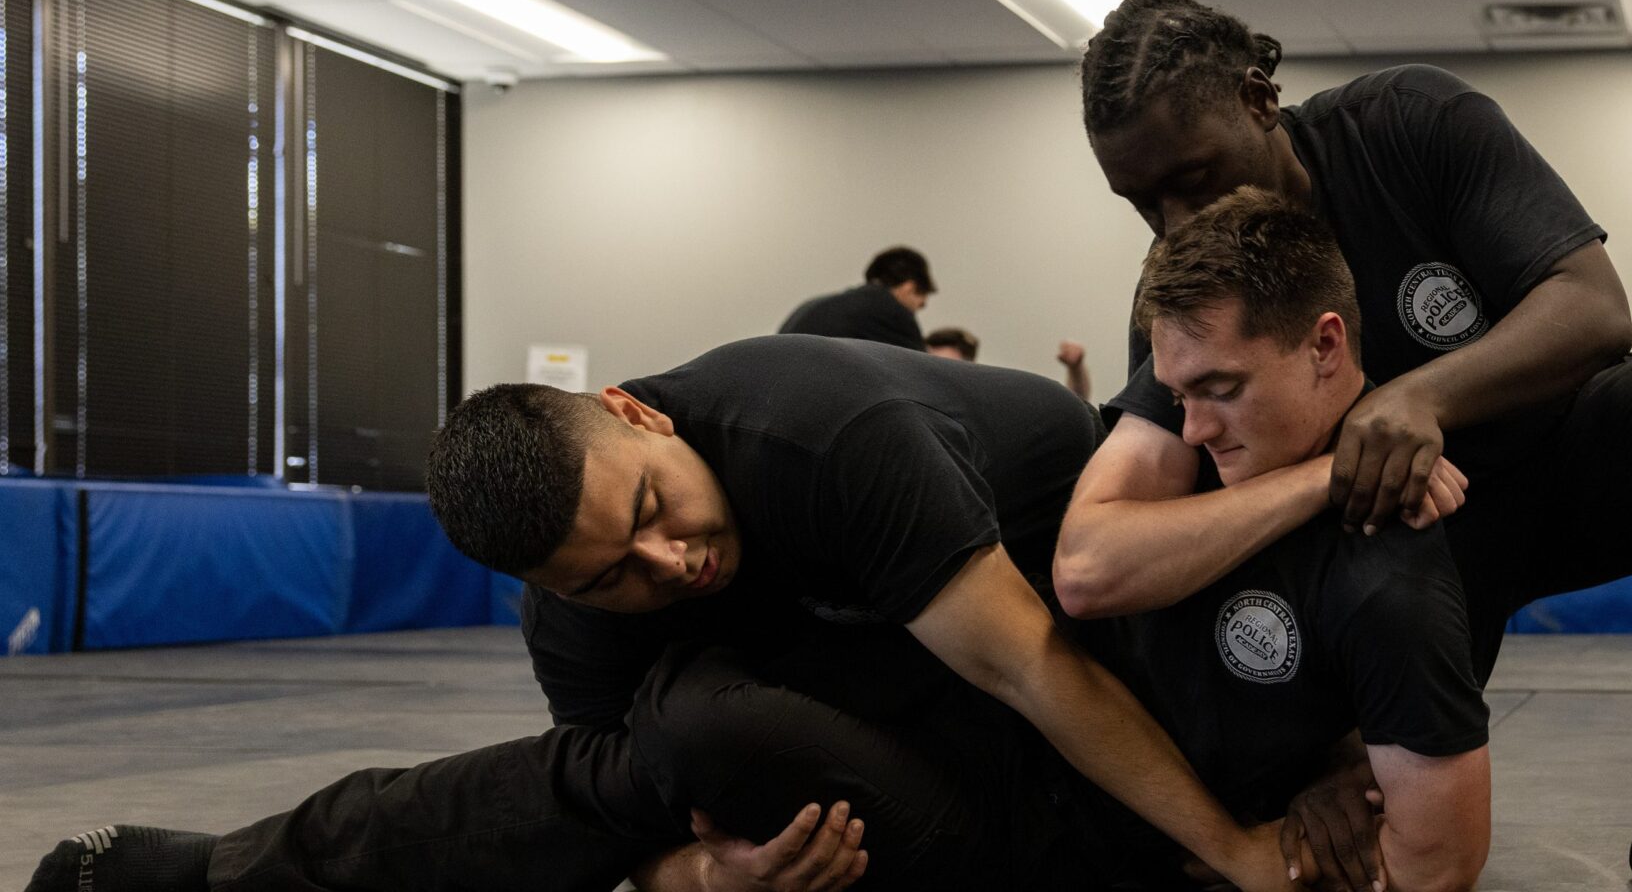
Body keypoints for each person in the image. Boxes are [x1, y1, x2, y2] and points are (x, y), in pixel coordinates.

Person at [30, 335, 1297, 892]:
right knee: (646, 747)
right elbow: (605, 808)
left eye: (652, 507)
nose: (669, 558)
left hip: (1089, 756)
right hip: (898, 798)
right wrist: (709, 877)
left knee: (686, 726)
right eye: (609, 573)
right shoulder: (572, 611)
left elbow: (1038, 674)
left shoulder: (826, 431)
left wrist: (1245, 847)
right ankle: (226, 872)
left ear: (639, 415)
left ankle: (218, 875)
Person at [1067, 0, 1632, 892]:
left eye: (1193, 179)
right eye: (1141, 202)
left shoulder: (1412, 126)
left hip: (1548, 464)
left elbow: (1592, 307)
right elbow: (1162, 538)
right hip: (1400, 548)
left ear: (1260, 100)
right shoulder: (1192, 294)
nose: (1177, 222)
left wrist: (1419, 398)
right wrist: (1319, 763)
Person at [1066, 193, 1492, 892]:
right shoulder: (1199, 381)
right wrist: (1324, 476)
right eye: (1176, 397)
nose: (1194, 431)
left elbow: (1437, 864)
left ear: (1325, 346)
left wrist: (1293, 859)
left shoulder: (1391, 577)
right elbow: (1084, 573)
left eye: (1221, 390)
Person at [778, 247, 933, 350]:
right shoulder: (890, 311)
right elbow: (923, 377)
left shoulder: (814, 305)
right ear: (909, 288)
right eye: (921, 304)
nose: (915, 311)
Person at [926, 327, 1093, 402]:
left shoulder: (988, 400)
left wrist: (1076, 368)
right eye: (932, 365)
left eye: (948, 366)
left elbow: (1072, 407)